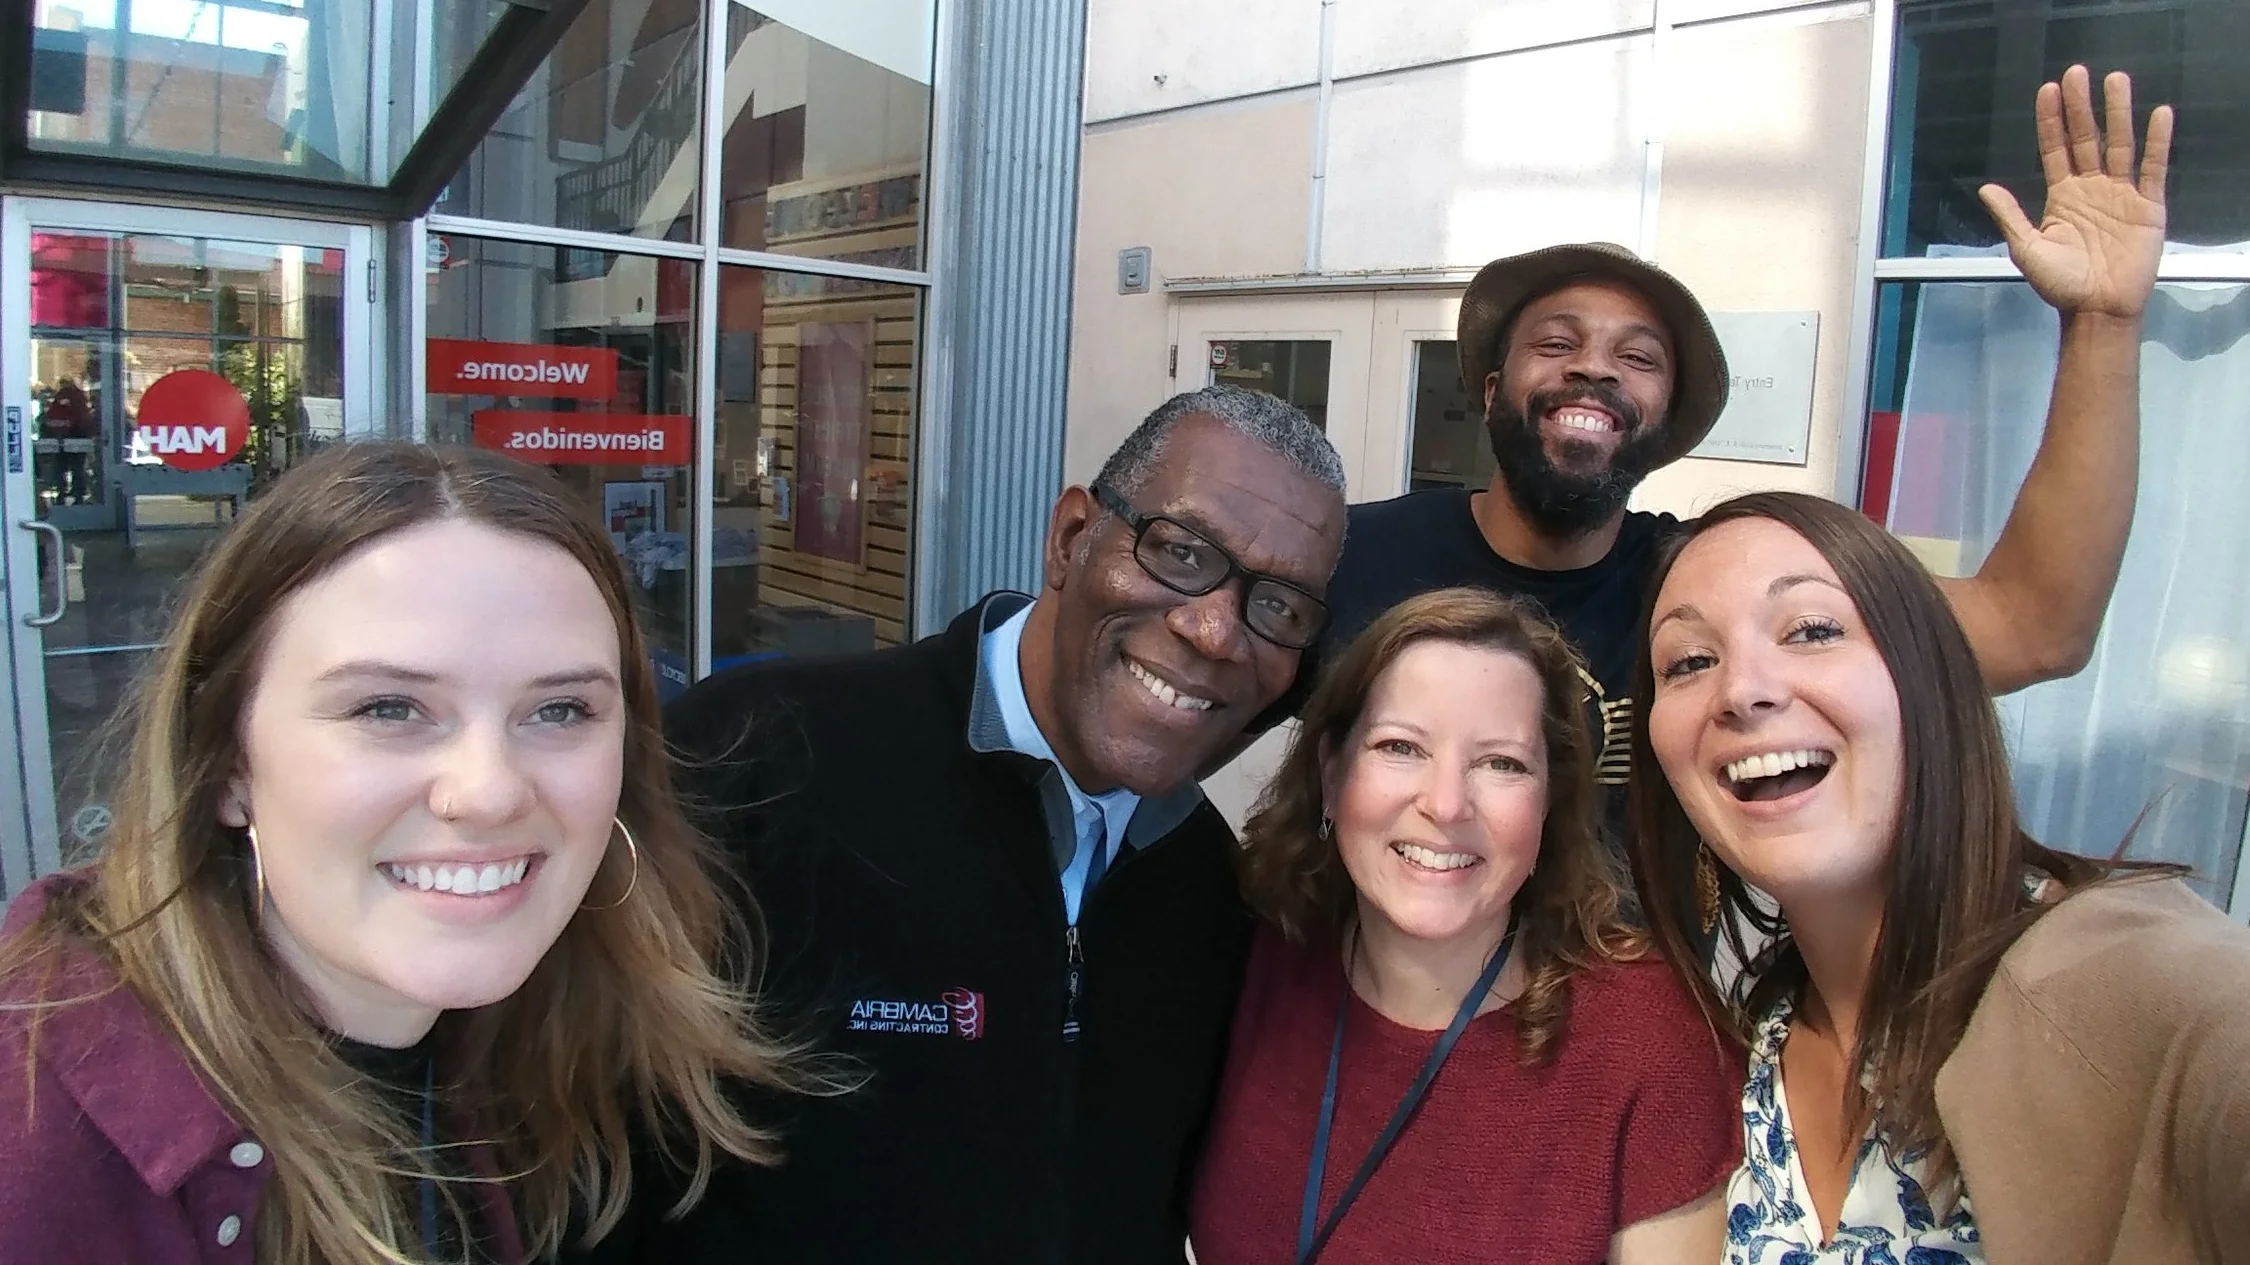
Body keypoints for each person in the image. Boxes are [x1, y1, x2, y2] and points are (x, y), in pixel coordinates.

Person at [1287, 66, 2172, 835]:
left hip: (1618, 1024)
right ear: (1490, 392)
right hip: (1358, 1006)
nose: (1594, 367)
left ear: (1660, 423)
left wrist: (2102, 324)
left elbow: (2035, 628)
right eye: (1556, 343)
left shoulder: (1705, 587)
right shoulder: (1350, 554)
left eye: (1637, 358)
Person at [0, 443, 809, 1263]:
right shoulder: (35, 1139)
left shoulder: (557, 1043)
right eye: (390, 707)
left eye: (561, 710)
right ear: (228, 763)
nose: (490, 791)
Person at [602, 384, 1349, 1264]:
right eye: (1182, 551)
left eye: (1282, 607)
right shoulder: (757, 758)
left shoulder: (1217, 895)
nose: (1219, 631)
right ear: (1072, 537)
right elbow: (569, 1133)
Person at [1626, 490, 2250, 1263]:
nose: (1744, 689)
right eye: (1689, 661)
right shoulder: (1753, 1041)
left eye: (1813, 630)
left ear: (1930, 676)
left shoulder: (2110, 973)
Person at [1189, 589, 1738, 1265]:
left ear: (1549, 804)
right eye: (1400, 746)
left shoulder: (1651, 1043)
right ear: (1332, 776)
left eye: (1501, 763)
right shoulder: (1258, 956)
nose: (1446, 804)